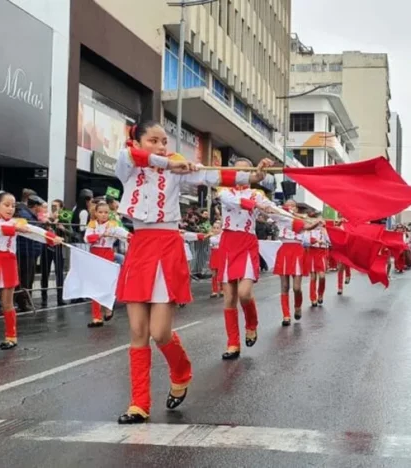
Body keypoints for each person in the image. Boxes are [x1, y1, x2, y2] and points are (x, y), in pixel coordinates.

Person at [114, 121, 273, 423]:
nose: (162, 146)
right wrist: (169, 163)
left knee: (159, 333)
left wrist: (252, 175)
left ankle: (181, 370)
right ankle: (139, 403)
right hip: (140, 248)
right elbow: (132, 156)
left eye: (164, 141)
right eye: (154, 140)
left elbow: (211, 175)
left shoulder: (177, 169)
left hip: (166, 246)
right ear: (138, 140)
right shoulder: (129, 164)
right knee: (137, 331)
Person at [216, 163, 317, 360]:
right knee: (229, 298)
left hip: (246, 242)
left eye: (247, 170)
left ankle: (251, 324)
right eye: (239, 169)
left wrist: (303, 223)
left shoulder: (258, 195)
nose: (242, 173)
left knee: (244, 294)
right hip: (227, 242)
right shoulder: (224, 189)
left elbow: (277, 213)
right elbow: (229, 201)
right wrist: (253, 205)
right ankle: (233, 343)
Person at [0, 192, 61, 355]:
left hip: (8, 261)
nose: (10, 208)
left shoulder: (17, 222)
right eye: (6, 205)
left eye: (13, 206)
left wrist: (51, 237)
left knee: (7, 302)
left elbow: (34, 230)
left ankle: (11, 337)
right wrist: (16, 228)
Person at [84, 201, 129, 327]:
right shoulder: (92, 224)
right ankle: (96, 317)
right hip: (94, 254)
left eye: (106, 213)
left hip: (107, 254)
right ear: (96, 213)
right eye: (100, 212)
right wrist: (100, 235)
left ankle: (108, 307)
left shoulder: (113, 225)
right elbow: (87, 238)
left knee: (107, 284)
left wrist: (133, 237)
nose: (103, 215)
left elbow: (124, 234)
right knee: (94, 285)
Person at [274, 200, 309, 325]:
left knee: (296, 288)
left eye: (293, 205)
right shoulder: (280, 218)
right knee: (284, 286)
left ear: (296, 208)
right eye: (288, 205)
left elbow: (308, 227)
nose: (290, 207)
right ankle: (286, 315)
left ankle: (298, 306)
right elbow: (267, 217)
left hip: (298, 251)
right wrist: (278, 210)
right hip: (284, 249)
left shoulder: (300, 219)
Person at [305, 214, 330, 304]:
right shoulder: (309, 230)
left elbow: (330, 242)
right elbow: (306, 240)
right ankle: (313, 298)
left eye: (321, 220)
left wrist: (325, 232)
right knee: (313, 277)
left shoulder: (324, 230)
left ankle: (320, 294)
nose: (319, 222)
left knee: (322, 276)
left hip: (322, 253)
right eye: (317, 220)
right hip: (312, 252)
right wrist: (315, 241)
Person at [207, 223, 223, 298]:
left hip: (220, 255)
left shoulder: (222, 236)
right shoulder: (211, 237)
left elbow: (218, 241)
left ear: (220, 229)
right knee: (214, 274)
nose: (216, 229)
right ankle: (214, 290)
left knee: (221, 273)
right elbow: (213, 242)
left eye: (217, 228)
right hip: (214, 255)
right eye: (214, 228)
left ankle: (222, 289)